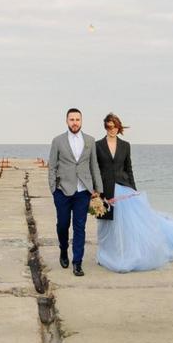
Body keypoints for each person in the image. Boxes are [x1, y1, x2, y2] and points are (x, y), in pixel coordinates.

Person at [94, 113, 173, 273]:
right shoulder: (98, 145)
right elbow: (95, 169)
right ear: (105, 127)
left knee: (127, 226)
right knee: (107, 224)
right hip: (106, 190)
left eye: (114, 126)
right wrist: (96, 191)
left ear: (118, 127)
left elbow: (128, 169)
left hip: (124, 190)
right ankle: (106, 254)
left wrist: (134, 191)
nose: (112, 129)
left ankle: (126, 254)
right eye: (109, 126)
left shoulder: (125, 145)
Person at [47, 108, 102, 276]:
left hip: (83, 191)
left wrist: (98, 188)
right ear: (67, 121)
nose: (75, 122)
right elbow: (52, 166)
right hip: (63, 190)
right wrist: (53, 189)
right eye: (72, 119)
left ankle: (77, 262)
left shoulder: (90, 141)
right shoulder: (58, 141)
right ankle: (63, 250)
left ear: (81, 121)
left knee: (80, 227)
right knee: (63, 225)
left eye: (77, 119)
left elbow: (94, 166)